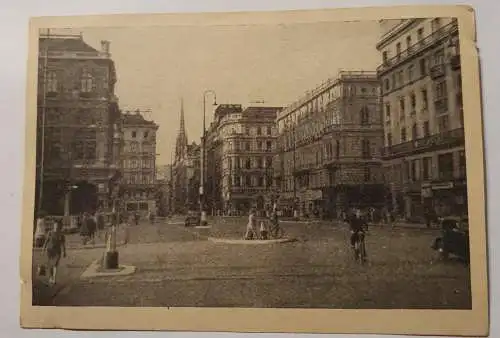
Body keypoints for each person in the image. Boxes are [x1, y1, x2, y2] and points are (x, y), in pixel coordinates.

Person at [42, 220, 66, 285]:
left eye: (58, 225)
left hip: (57, 251)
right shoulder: (50, 232)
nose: (56, 226)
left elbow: (63, 244)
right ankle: (51, 277)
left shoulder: (61, 234)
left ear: (60, 226)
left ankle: (54, 279)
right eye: (55, 225)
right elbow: (46, 241)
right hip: (50, 250)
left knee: (55, 265)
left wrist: (64, 252)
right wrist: (43, 249)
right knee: (50, 265)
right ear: (54, 226)